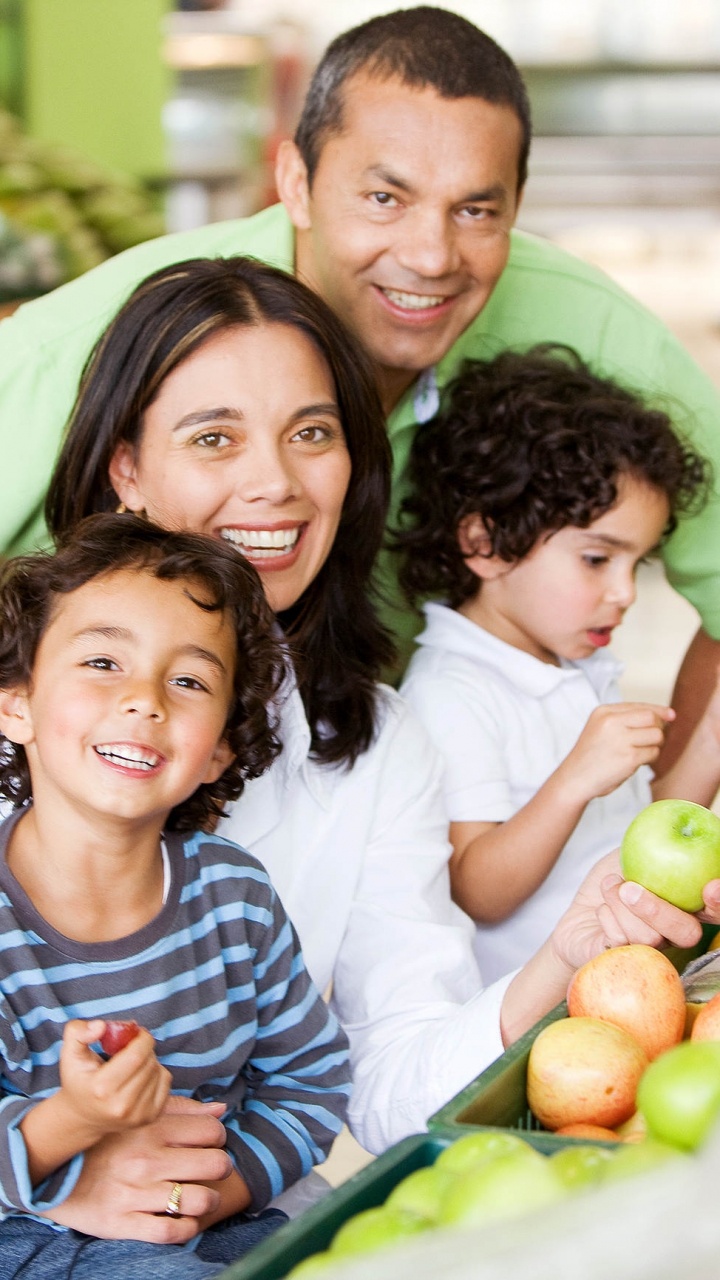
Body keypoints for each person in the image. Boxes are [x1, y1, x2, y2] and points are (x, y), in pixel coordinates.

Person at [38, 253, 720, 1250]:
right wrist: (47, 1179)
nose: (273, 481)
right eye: (213, 435)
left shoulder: (373, 740)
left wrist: (564, 954)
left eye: (311, 433)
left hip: (240, 1219)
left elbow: (387, 1082)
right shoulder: (28, 697)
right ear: (128, 469)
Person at [0, 7, 717, 742]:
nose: (431, 255)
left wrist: (659, 819)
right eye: (385, 198)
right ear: (296, 183)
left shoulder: (590, 328)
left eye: (475, 210)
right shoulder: (72, 351)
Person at [0, 513, 352, 1278]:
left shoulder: (235, 897)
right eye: (102, 661)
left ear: (220, 747)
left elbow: (311, 1079)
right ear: (15, 701)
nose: (146, 699)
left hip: (210, 1218)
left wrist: (213, 1192)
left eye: (189, 680)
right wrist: (76, 1120)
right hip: (19, 1232)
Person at [397, 346, 720, 984]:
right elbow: (477, 889)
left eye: (638, 564)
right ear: (484, 543)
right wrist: (573, 780)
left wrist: (709, 740)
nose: (625, 592)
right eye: (598, 560)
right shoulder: (452, 691)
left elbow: (634, 844)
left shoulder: (576, 664)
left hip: (625, 984)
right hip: (536, 1021)